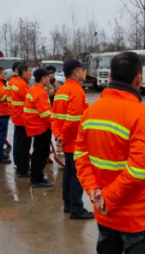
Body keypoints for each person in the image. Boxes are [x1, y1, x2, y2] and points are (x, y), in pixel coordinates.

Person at [75, 52, 145, 253]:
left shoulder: (91, 112)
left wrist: (94, 190)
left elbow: (80, 156)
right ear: (139, 79)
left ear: (110, 77)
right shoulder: (139, 114)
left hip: (104, 213)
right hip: (134, 218)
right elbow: (139, 171)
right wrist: (108, 199)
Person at [51, 59, 94, 220]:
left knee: (68, 174)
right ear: (75, 72)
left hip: (67, 141)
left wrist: (58, 136)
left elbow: (54, 117)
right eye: (82, 69)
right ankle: (76, 208)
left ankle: (68, 204)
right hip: (75, 142)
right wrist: (64, 138)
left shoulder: (61, 91)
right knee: (77, 176)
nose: (84, 72)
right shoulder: (76, 91)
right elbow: (73, 120)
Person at [24, 68, 54, 188]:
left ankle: (37, 176)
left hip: (37, 125)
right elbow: (45, 114)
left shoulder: (37, 89)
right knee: (41, 153)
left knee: (39, 152)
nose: (49, 79)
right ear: (43, 79)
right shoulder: (39, 92)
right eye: (48, 77)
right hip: (39, 126)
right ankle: (36, 179)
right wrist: (54, 127)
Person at [10, 63, 33, 175]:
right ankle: (23, 169)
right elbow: (31, 99)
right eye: (30, 72)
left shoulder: (17, 82)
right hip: (23, 118)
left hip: (19, 117)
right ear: (24, 73)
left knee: (20, 144)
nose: (31, 74)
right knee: (24, 146)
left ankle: (21, 167)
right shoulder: (22, 85)